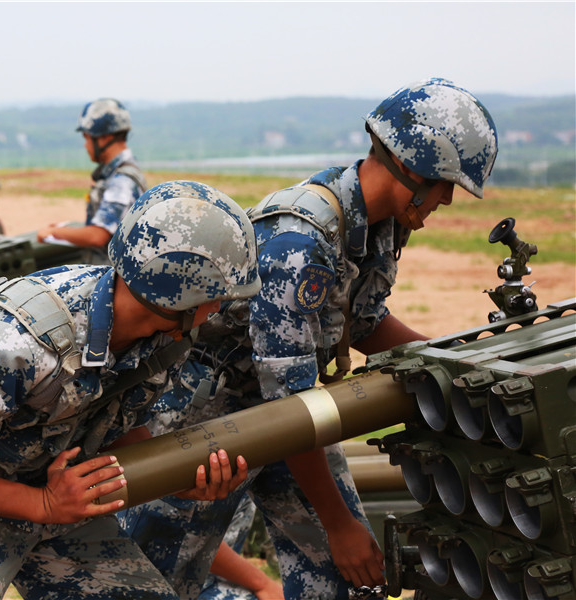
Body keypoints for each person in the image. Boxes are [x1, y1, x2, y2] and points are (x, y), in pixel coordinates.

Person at [121, 78, 499, 599]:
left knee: (349, 576)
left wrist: (455, 361)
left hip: (291, 419)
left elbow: (364, 322)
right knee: (158, 585)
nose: (448, 201)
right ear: (414, 167)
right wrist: (338, 526)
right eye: (445, 185)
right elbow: (286, 404)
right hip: (210, 421)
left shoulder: (383, 223)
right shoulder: (301, 241)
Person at [0, 180, 261, 600]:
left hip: (62, 488)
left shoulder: (168, 336)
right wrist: (44, 506)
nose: (221, 307)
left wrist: (178, 480)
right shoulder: (20, 339)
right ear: (179, 293)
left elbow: (119, 428)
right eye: (216, 295)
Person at [37, 98, 147, 264]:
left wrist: (53, 232)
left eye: (87, 138)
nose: (85, 145)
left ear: (104, 138)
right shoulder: (117, 173)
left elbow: (98, 236)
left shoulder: (121, 180)